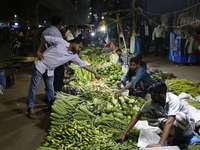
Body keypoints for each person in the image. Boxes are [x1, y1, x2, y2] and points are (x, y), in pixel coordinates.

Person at [27, 36, 100, 119]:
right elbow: (45, 38)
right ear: (74, 43)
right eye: (79, 46)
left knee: (50, 89)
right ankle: (30, 107)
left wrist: (95, 72)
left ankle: (51, 106)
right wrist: (39, 51)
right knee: (34, 87)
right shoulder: (61, 42)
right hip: (41, 65)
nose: (79, 49)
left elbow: (83, 64)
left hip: (50, 70)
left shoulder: (73, 55)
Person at [115, 79, 196, 148]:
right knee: (149, 112)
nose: (152, 97)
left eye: (153, 95)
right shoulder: (152, 102)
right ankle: (169, 135)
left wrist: (160, 144)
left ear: (161, 93)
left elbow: (170, 121)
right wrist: (124, 134)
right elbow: (137, 117)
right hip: (173, 127)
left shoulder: (173, 99)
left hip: (186, 128)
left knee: (179, 117)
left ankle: (176, 141)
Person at [39, 16, 65, 93]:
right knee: (57, 78)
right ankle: (55, 96)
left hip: (46, 57)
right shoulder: (57, 33)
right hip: (56, 58)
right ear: (59, 23)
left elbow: (42, 43)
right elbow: (59, 47)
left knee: (49, 78)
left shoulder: (45, 31)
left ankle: (49, 95)